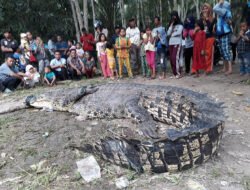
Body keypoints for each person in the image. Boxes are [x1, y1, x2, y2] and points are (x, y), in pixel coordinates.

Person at [213, 0, 233, 75]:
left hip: (225, 32)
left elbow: (214, 8)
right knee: (222, 51)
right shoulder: (222, 11)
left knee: (226, 50)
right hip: (221, 33)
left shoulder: (224, 10)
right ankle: (225, 68)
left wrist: (220, 3)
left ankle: (230, 69)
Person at [167, 11, 183, 78]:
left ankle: (178, 73)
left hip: (177, 42)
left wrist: (172, 34)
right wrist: (171, 25)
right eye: (172, 16)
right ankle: (174, 73)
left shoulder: (180, 24)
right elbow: (168, 33)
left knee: (175, 57)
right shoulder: (171, 24)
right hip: (171, 43)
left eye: (174, 16)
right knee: (171, 58)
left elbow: (179, 32)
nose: (173, 17)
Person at [201, 3, 216, 74]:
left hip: (210, 38)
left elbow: (210, 28)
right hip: (203, 38)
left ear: (209, 9)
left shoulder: (213, 19)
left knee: (209, 54)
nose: (204, 10)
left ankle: (209, 69)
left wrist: (206, 19)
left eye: (206, 8)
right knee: (204, 54)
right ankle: (205, 68)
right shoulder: (201, 19)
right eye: (203, 8)